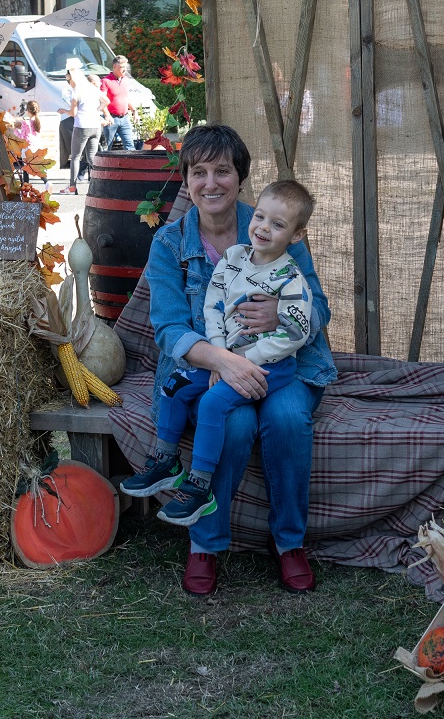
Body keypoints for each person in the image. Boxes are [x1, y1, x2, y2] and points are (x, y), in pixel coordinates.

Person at [140, 125, 334, 596]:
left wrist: (281, 312)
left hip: (285, 361)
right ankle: (205, 543)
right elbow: (168, 327)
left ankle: (289, 543)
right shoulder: (169, 244)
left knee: (287, 418)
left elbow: (319, 307)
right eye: (198, 172)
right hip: (211, 365)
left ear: (240, 177)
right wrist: (222, 363)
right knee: (234, 424)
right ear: (186, 179)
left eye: (222, 171)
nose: (210, 183)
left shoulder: (275, 220)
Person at [123, 179, 317, 529]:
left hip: (270, 366)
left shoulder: (290, 277)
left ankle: (200, 485)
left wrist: (241, 363)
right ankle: (167, 461)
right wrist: (220, 353)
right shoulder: (234, 258)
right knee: (175, 384)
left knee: (214, 403)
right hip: (226, 355)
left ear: (295, 235)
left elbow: (294, 334)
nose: (263, 228)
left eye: (278, 225)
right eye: (260, 217)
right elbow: (214, 303)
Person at [61, 57, 105, 194]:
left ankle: (72, 187)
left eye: (69, 79)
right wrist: (95, 111)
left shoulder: (76, 90)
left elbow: (74, 113)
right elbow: (106, 101)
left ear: (72, 78)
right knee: (92, 157)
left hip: (82, 126)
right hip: (95, 125)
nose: (69, 82)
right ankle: (103, 183)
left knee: (75, 157)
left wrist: (64, 111)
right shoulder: (92, 87)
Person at [100, 56, 135, 151]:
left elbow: (125, 97)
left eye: (125, 67)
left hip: (125, 118)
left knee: (130, 146)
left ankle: (132, 165)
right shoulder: (105, 81)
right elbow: (102, 100)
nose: (124, 69)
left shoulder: (125, 79)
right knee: (107, 147)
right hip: (111, 118)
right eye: (122, 67)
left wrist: (134, 110)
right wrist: (107, 116)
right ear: (114, 66)